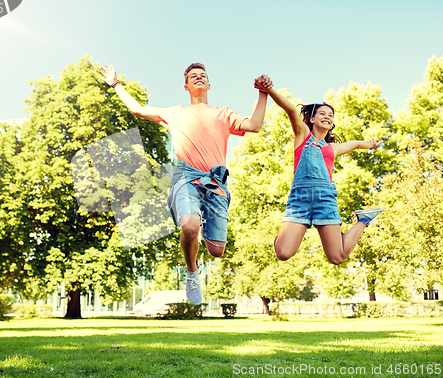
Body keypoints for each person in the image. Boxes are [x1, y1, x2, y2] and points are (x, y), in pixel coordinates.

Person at [101, 63, 270, 303]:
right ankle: (192, 272)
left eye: (202, 76)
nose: (198, 78)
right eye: (193, 76)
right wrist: (115, 83)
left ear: (209, 85)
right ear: (186, 86)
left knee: (216, 250)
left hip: (215, 181)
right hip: (186, 176)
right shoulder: (176, 112)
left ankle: (199, 221)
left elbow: (254, 125)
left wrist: (263, 94)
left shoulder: (224, 114)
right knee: (190, 226)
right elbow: (137, 109)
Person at [254, 76, 384, 265]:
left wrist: (370, 145)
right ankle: (285, 233)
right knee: (282, 253)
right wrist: (269, 90)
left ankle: (363, 220)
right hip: (299, 200)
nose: (327, 117)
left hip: (325, 199)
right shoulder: (302, 136)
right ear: (312, 118)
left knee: (337, 257)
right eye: (323, 113)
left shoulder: (332, 148)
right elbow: (291, 110)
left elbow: (355, 144)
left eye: (331, 115)